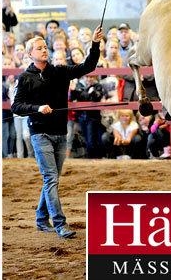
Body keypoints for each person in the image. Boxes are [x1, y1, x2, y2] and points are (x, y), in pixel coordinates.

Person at [11, 25, 104, 239]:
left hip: (61, 133)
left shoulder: (60, 71)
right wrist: (37, 108)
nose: (44, 50)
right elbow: (16, 106)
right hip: (40, 133)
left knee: (51, 179)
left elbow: (88, 66)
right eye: (39, 48)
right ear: (30, 54)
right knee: (51, 177)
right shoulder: (25, 78)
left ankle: (41, 218)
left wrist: (95, 43)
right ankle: (60, 223)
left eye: (45, 47)